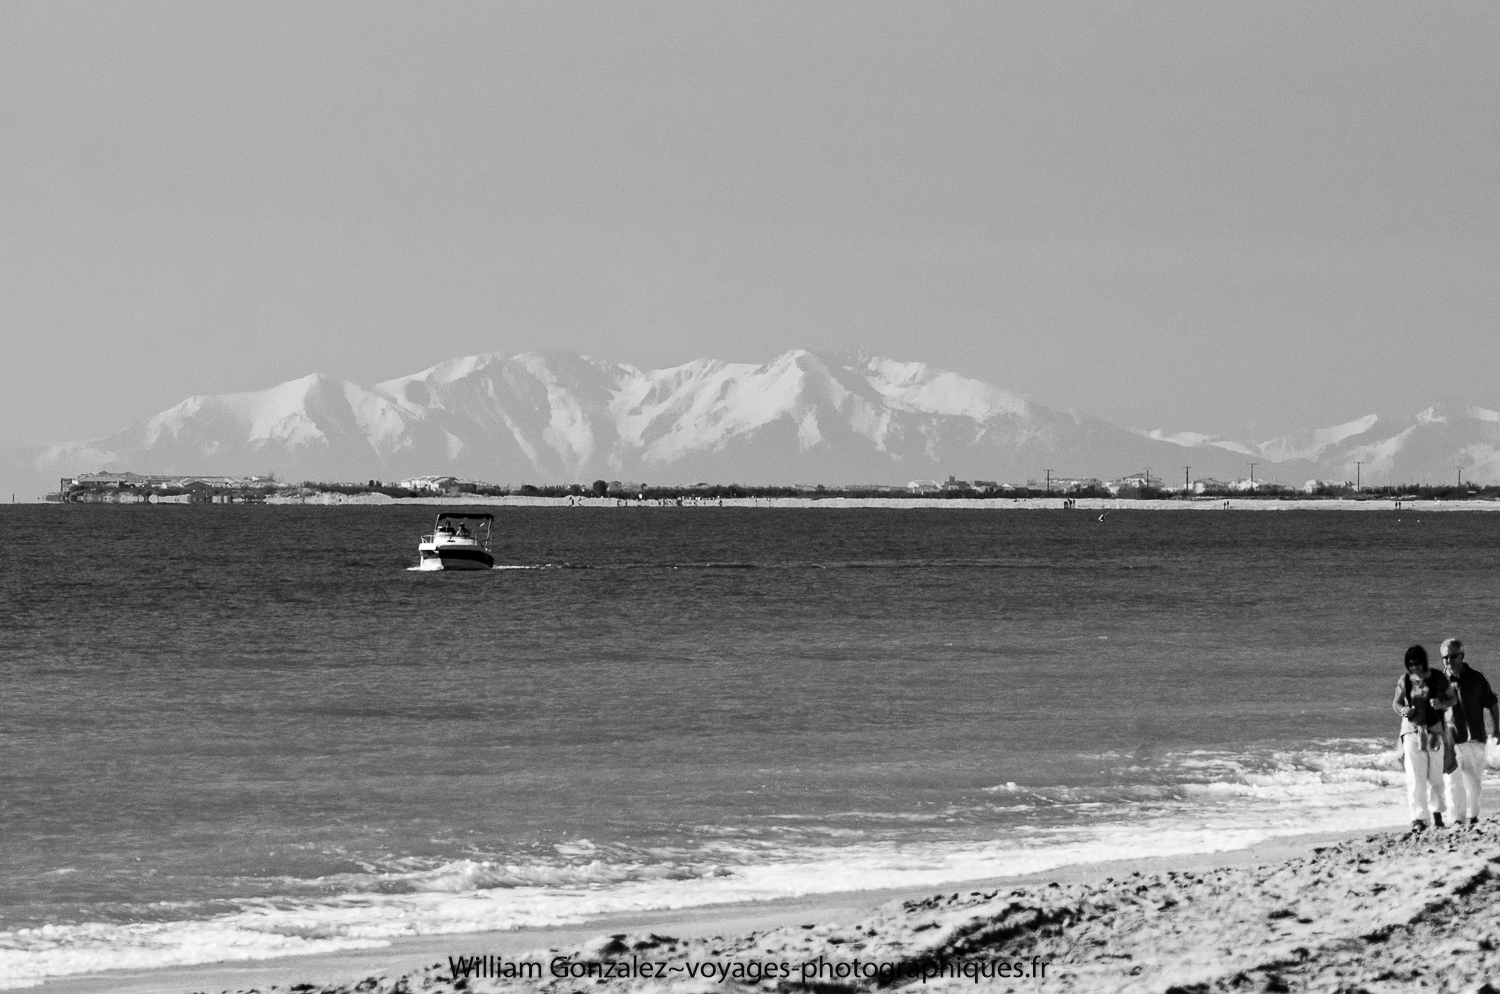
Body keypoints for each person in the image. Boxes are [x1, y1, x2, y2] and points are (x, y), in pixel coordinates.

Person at [1393, 644, 1456, 831]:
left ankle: (1436, 814)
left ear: (1424, 662)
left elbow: (1453, 699)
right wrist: (1404, 710)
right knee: (1415, 778)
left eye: (1418, 663)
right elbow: (1396, 703)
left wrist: (1441, 703)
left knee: (1435, 776)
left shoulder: (1438, 678)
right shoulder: (1405, 680)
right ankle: (1418, 819)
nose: (1415, 667)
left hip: (1435, 732)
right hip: (1412, 733)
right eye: (1411, 664)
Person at [1441, 638, 1499, 827]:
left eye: (1452, 656)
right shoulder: (1439, 682)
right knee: (1453, 781)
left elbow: (1492, 703)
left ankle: (1472, 817)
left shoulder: (1477, 678)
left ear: (1462, 655)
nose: (1448, 661)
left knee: (1474, 782)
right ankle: (1457, 819)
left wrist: (1497, 728)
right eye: (1444, 657)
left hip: (1476, 738)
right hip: (1452, 738)